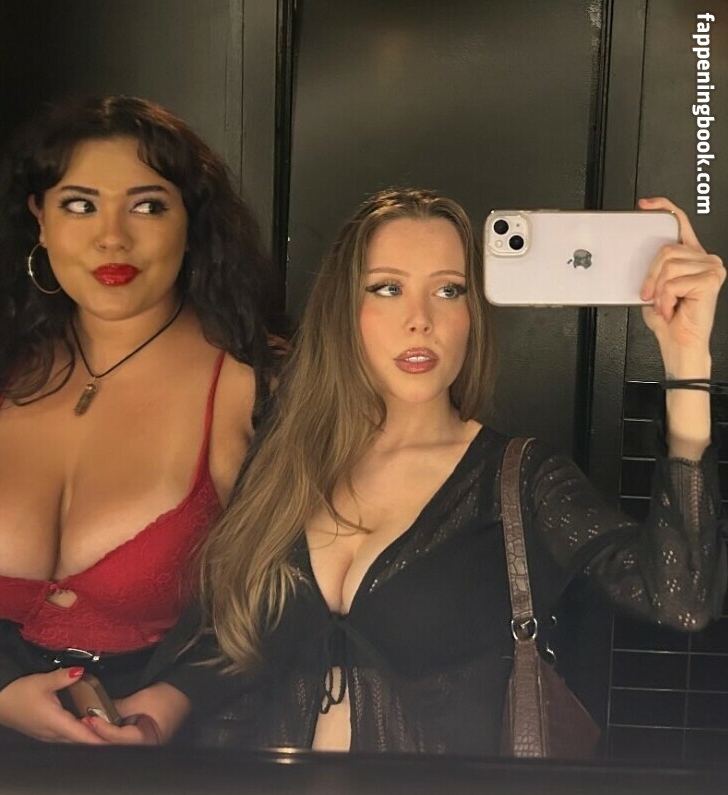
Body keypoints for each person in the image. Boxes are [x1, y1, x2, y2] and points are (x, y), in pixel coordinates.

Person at [95, 188, 725, 753]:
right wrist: (154, 712)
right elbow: (226, 638)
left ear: (473, 313)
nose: (420, 317)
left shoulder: (520, 479)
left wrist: (687, 359)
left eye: (449, 290)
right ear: (346, 309)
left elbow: (682, 597)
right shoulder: (286, 462)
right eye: (387, 288)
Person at [0, 95, 279, 744]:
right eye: (79, 205)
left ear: (192, 222)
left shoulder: (259, 389)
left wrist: (175, 699)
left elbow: (303, 595)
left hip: (177, 764)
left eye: (147, 206)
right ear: (39, 220)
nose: (112, 237)